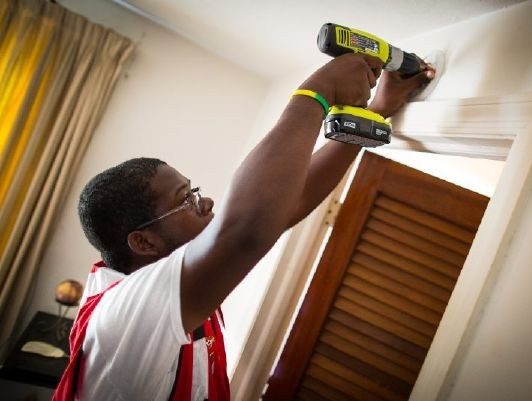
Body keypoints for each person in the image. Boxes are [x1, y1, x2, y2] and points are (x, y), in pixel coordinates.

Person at [53, 53, 434, 401]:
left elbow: (281, 209)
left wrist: (376, 111)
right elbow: (247, 228)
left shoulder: (172, 285)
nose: (205, 203)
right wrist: (317, 91)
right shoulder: (123, 314)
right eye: (184, 199)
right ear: (143, 241)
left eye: (194, 190)